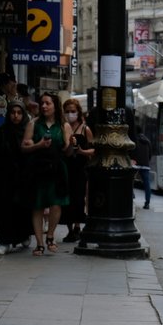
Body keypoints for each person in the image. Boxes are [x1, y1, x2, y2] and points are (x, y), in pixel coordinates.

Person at [21, 92, 74, 255]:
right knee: (37, 205)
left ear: (54, 106)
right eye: (42, 103)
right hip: (38, 168)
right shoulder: (33, 124)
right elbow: (23, 148)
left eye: (47, 103)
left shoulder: (64, 126)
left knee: (56, 203)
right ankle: (39, 243)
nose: (43, 106)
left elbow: (68, 152)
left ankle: (50, 235)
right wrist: (39, 145)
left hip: (57, 168)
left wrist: (72, 144)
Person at [0, 99, 32, 254]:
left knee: (22, 209)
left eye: (19, 113)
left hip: (23, 178)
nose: (16, 116)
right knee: (4, 210)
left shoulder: (28, 130)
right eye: (13, 112)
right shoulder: (2, 131)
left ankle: (23, 235)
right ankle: (4, 242)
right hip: (4, 178)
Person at [61, 98, 95, 242]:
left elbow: (94, 150)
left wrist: (81, 152)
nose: (70, 114)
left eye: (73, 111)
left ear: (78, 112)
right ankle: (69, 229)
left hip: (80, 168)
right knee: (66, 197)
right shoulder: (63, 127)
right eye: (67, 111)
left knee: (78, 197)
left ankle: (76, 226)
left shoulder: (85, 129)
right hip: (65, 166)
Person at [132, 131, 152, 208]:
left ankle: (132, 195)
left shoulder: (134, 140)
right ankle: (147, 203)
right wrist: (147, 161)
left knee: (131, 181)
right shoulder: (147, 141)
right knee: (147, 184)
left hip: (135, 164)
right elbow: (150, 154)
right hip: (145, 165)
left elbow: (132, 151)